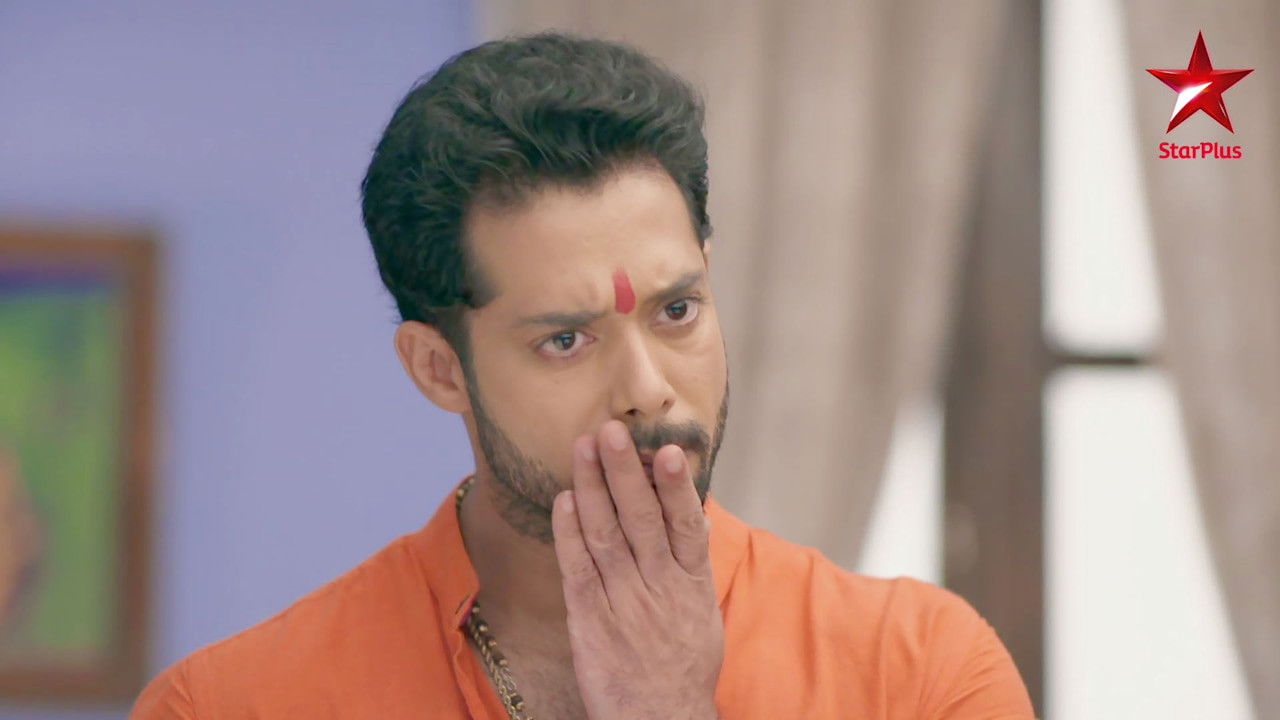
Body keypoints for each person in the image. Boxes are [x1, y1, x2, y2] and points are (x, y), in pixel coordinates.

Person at [130, 31, 1034, 719]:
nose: (646, 388)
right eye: (566, 339)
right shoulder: (232, 705)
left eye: (677, 311)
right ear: (439, 369)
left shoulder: (920, 674)